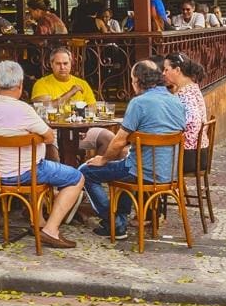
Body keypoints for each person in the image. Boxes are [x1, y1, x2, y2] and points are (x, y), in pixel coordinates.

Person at [0, 61, 84, 248]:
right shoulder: (24, 109)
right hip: (28, 172)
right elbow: (49, 137)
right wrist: (34, 138)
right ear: (20, 85)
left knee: (38, 169)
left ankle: (38, 222)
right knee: (76, 177)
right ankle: (51, 230)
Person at [80, 61, 186, 239]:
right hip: (169, 173)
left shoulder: (139, 103)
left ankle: (114, 222)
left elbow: (119, 141)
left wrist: (103, 159)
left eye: (131, 79)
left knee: (85, 171)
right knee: (126, 165)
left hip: (141, 172)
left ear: (137, 80)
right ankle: (119, 221)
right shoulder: (176, 101)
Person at [163, 53, 209, 173]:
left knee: (148, 161)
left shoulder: (185, 95)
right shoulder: (192, 88)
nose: (163, 73)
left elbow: (193, 121)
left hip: (189, 155)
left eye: (166, 69)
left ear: (177, 70)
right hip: (199, 152)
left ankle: (159, 190)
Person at [31, 47, 97, 107]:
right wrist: (71, 92)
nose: (62, 67)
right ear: (51, 64)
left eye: (65, 63)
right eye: (58, 64)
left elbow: (93, 109)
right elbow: (42, 108)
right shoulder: (41, 84)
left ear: (71, 63)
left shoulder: (82, 84)